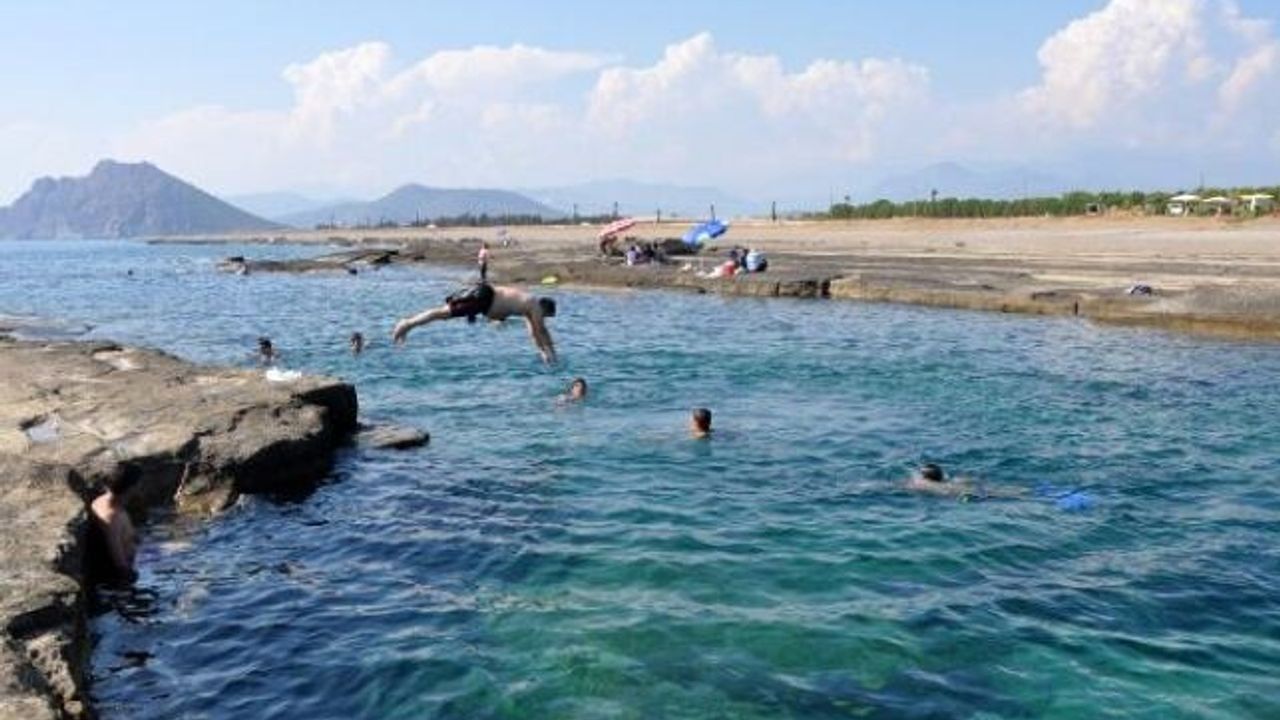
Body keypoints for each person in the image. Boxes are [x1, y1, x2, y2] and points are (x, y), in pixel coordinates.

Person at [392, 282, 558, 364]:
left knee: (442, 314)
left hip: (483, 298)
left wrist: (546, 352)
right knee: (442, 314)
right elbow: (541, 330)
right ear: (545, 309)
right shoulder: (534, 305)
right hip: (483, 298)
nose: (543, 319)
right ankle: (407, 324)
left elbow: (534, 333)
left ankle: (408, 326)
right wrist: (548, 352)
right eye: (546, 316)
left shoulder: (528, 307)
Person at [88, 464, 140, 585]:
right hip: (120, 576)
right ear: (132, 488)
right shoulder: (112, 518)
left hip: (138, 556)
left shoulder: (103, 501)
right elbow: (120, 565)